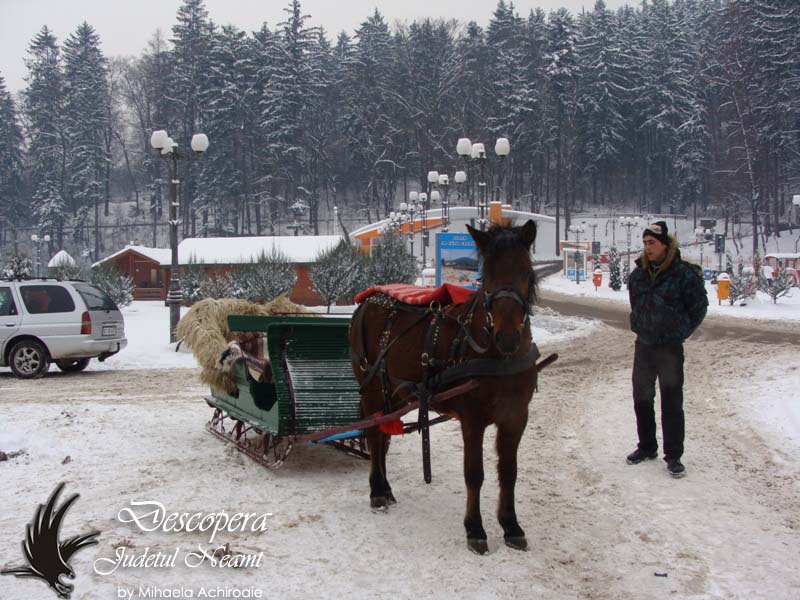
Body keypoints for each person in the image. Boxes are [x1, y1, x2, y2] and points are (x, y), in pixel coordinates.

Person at [626, 221, 708, 478]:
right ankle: (647, 446)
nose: (647, 248)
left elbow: (699, 307)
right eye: (645, 243)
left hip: (670, 348)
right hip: (645, 345)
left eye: (652, 243)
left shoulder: (684, 274)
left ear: (665, 245)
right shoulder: (637, 275)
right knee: (641, 398)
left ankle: (674, 456)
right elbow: (635, 304)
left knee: (671, 402)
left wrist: (680, 331)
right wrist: (639, 324)